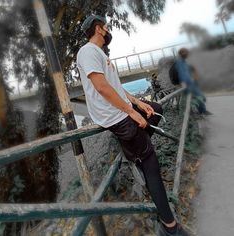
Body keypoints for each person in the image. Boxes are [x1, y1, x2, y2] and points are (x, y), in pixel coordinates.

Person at [77, 15, 190, 236]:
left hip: (122, 108)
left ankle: (137, 148)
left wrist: (138, 103)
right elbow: (101, 88)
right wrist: (130, 112)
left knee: (155, 108)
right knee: (152, 165)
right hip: (115, 116)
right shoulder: (87, 51)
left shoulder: (100, 53)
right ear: (99, 29)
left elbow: (115, 87)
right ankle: (170, 227)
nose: (109, 30)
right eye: (106, 27)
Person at [175, 48, 212, 115]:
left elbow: (189, 72)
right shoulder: (180, 62)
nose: (187, 54)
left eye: (187, 52)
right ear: (181, 54)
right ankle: (195, 113)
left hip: (192, 83)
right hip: (187, 84)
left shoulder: (185, 62)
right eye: (185, 52)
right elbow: (182, 73)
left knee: (198, 96)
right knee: (192, 98)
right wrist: (184, 82)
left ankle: (202, 111)